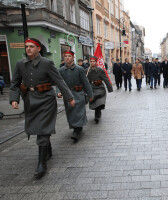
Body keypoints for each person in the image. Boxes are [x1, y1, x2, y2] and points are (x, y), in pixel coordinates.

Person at [10, 38, 75, 178]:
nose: (28, 49)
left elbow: (59, 81)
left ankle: (41, 163)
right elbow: (15, 83)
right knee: (38, 129)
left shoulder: (47, 63)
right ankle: (47, 149)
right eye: (26, 46)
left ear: (38, 48)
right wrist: (14, 99)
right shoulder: (20, 64)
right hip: (30, 101)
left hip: (46, 100)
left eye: (31, 46)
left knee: (43, 130)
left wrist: (69, 97)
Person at [57, 50, 94, 142]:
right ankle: (76, 127)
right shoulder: (61, 70)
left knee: (79, 111)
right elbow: (59, 82)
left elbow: (86, 83)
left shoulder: (79, 69)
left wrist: (90, 94)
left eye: (69, 56)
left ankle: (76, 131)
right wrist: (58, 91)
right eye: (65, 56)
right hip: (68, 95)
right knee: (70, 112)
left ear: (73, 57)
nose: (67, 58)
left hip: (79, 94)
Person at [85, 56, 113, 123]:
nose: (92, 63)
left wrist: (109, 88)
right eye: (91, 61)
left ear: (96, 62)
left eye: (93, 61)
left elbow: (105, 79)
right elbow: (84, 81)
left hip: (100, 88)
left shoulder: (100, 70)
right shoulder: (86, 71)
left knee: (98, 102)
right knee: (94, 102)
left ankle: (96, 116)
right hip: (91, 88)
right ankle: (98, 112)